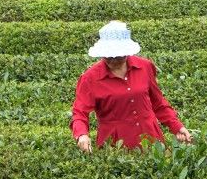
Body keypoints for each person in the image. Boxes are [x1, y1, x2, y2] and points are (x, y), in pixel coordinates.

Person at [71, 21, 192, 152]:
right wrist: (81, 134)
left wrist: (177, 126)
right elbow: (80, 112)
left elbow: (158, 103)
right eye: (108, 56)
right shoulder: (90, 78)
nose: (113, 60)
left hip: (150, 136)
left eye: (118, 56)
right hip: (115, 143)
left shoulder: (145, 67)